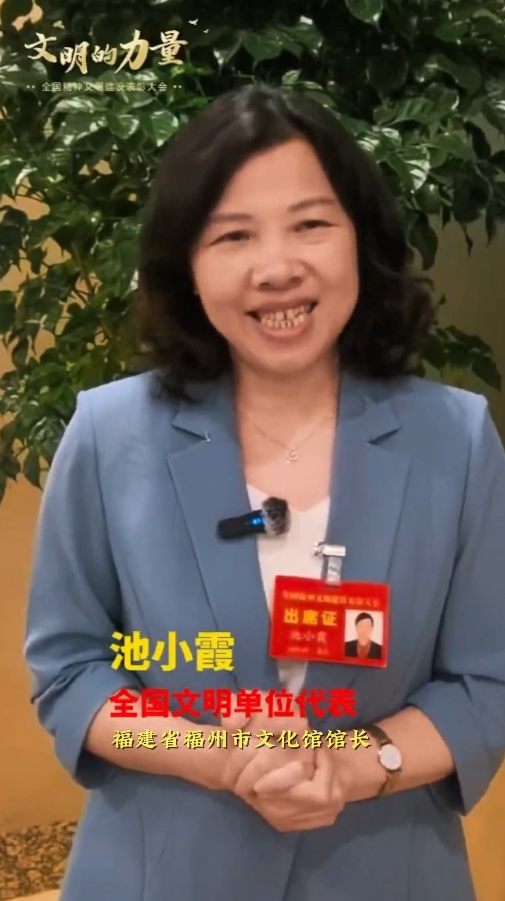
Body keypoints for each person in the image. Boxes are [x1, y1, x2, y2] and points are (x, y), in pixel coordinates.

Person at [24, 84, 505, 901]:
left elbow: (483, 682)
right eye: (233, 235)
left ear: (361, 240)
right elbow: (72, 669)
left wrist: (349, 765)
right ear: (187, 265)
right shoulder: (109, 435)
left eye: (310, 224)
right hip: (161, 873)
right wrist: (221, 758)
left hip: (384, 871)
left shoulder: (453, 438)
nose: (277, 267)